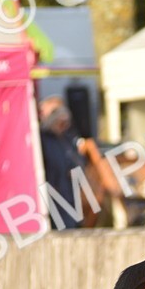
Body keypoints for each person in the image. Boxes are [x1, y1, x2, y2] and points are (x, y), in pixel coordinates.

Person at [39, 96, 87, 226]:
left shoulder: (67, 138)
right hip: (52, 200)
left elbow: (78, 162)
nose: (64, 125)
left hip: (69, 198)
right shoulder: (42, 140)